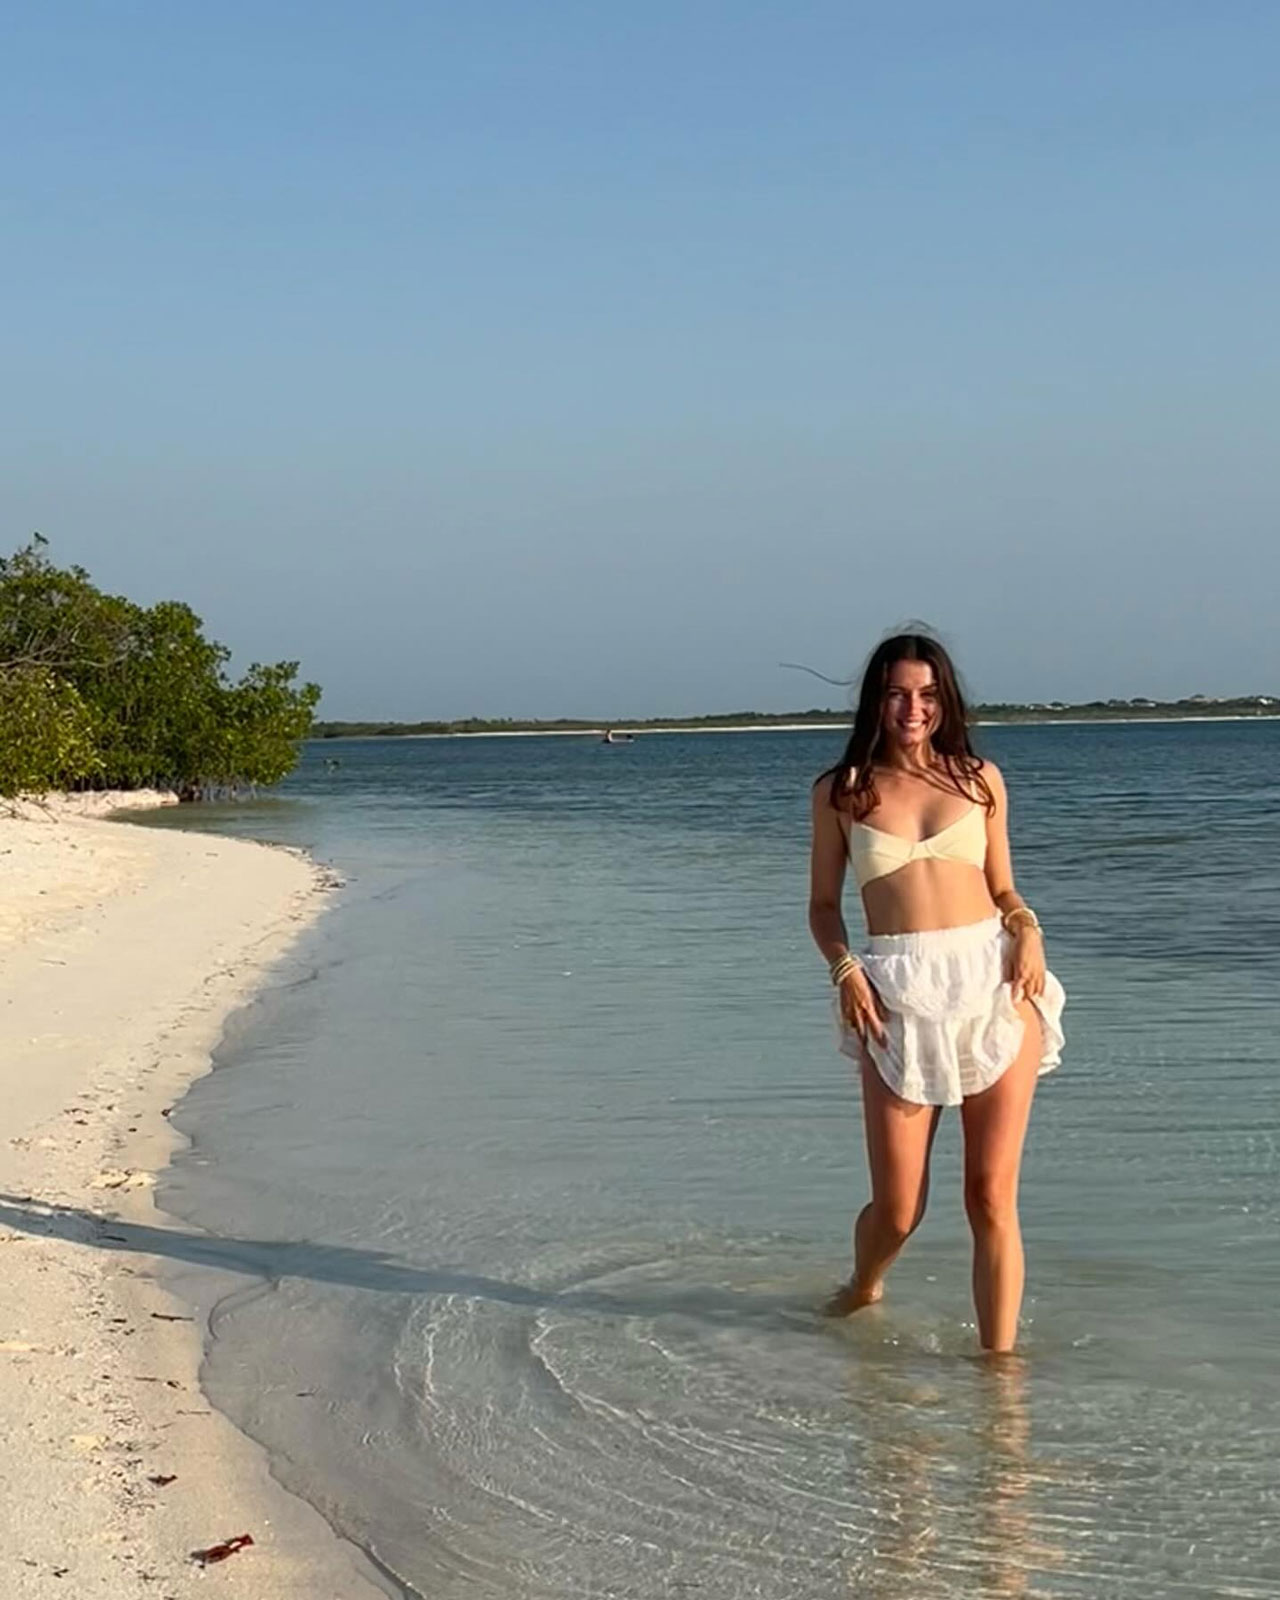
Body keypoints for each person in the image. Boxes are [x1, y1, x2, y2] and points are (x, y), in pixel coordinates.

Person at [808, 632, 1064, 1353]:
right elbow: (824, 908)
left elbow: (1003, 885)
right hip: (895, 992)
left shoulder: (980, 779)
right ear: (876, 700)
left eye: (925, 694)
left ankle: (1000, 1382)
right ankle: (862, 1287)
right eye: (896, 693)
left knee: (990, 1198)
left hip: (994, 981)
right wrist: (845, 969)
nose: (911, 708)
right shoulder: (840, 791)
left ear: (943, 699)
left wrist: (1029, 927)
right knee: (897, 1210)